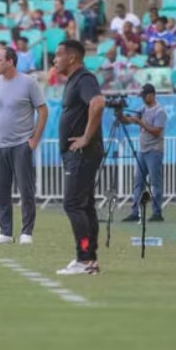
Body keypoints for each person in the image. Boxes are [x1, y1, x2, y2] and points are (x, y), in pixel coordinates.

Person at [0, 47, 48, 245]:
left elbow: (43, 111)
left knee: (26, 189)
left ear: (11, 61)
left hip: (21, 143)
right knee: (1, 190)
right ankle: (5, 232)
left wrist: (35, 139)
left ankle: (26, 232)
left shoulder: (29, 83)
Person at [54, 40, 105, 275]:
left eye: (58, 55)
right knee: (84, 206)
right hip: (79, 154)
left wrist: (85, 137)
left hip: (83, 153)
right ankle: (89, 259)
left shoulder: (84, 78)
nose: (55, 60)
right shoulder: (75, 80)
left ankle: (84, 260)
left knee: (73, 204)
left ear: (72, 58)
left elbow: (98, 103)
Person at [119, 84, 167, 222]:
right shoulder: (142, 109)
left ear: (151, 94)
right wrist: (120, 114)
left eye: (144, 95)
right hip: (142, 150)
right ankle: (135, 212)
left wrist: (140, 123)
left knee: (155, 183)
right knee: (138, 182)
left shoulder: (160, 111)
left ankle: (157, 213)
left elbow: (157, 132)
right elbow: (129, 121)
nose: (143, 98)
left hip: (155, 151)